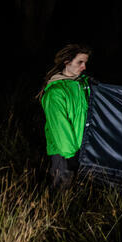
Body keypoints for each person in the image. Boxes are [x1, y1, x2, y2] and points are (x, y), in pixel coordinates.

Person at [38, 44, 93, 188]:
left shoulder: (82, 85)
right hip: (64, 153)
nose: (84, 67)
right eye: (80, 62)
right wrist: (70, 155)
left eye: (85, 63)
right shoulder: (55, 92)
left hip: (82, 149)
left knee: (79, 191)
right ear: (67, 62)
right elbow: (60, 126)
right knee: (62, 190)